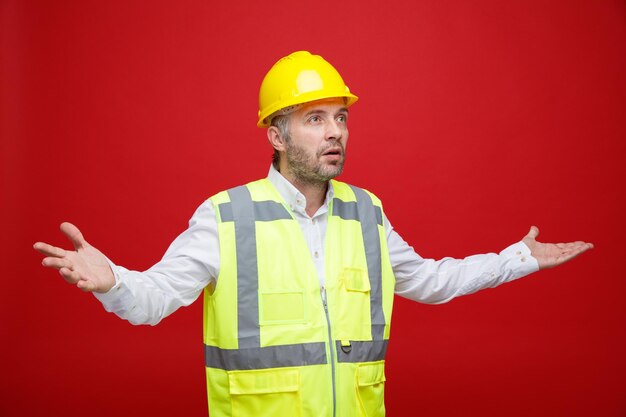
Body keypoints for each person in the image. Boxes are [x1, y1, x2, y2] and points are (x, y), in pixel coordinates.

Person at [33, 51, 593, 417]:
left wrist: (519, 258)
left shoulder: (367, 213)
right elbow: (152, 300)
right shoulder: (226, 217)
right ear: (276, 134)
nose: (336, 133)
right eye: (315, 119)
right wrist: (113, 284)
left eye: (341, 118)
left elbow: (430, 280)